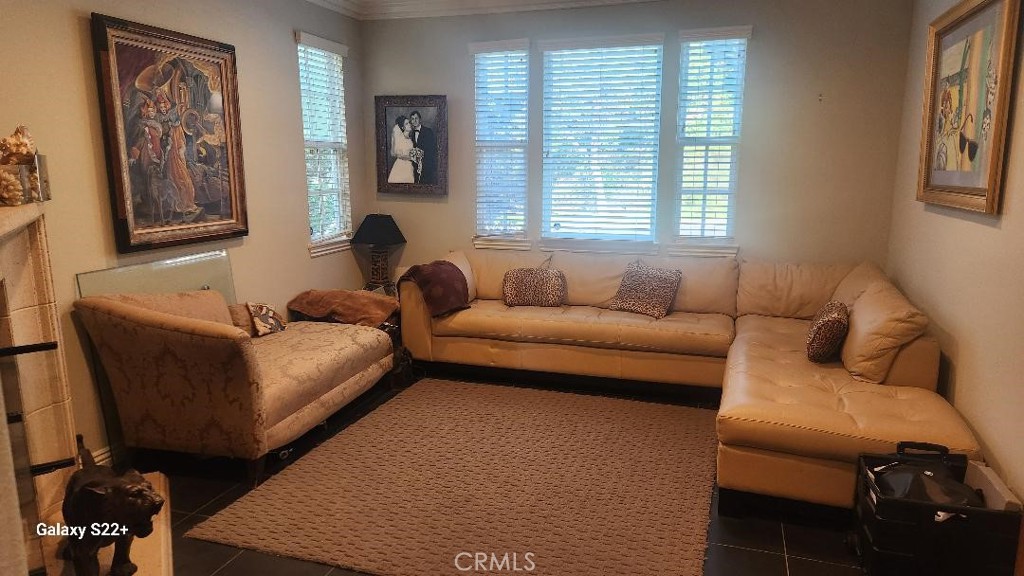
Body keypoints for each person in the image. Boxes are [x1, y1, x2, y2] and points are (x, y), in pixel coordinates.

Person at [409, 110, 437, 184]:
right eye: (412, 119)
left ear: (420, 119)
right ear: (411, 121)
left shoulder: (428, 131)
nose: (414, 121)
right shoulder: (411, 134)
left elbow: (432, 149)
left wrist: (422, 161)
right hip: (415, 167)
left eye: (416, 118)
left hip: (427, 166)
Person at [388, 115, 415, 183]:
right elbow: (397, 154)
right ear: (403, 127)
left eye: (409, 122)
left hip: (409, 165)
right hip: (401, 165)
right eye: (406, 124)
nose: (409, 124)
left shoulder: (410, 139)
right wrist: (411, 158)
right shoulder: (401, 138)